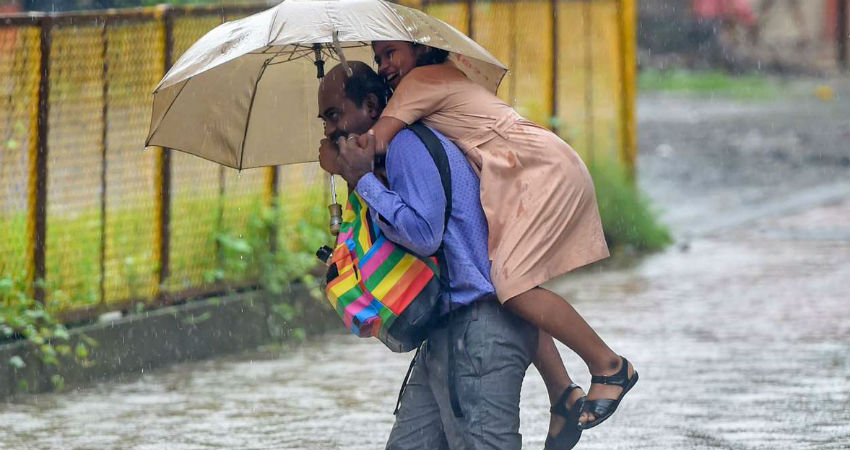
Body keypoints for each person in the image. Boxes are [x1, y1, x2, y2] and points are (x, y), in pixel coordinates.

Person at [355, 41, 639, 443]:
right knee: (506, 279)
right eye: (378, 57)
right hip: (516, 174)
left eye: (391, 53)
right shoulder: (432, 82)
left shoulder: (419, 80)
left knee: (513, 287)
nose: (384, 65)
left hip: (537, 169)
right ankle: (562, 393)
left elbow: (373, 143)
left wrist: (343, 154)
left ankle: (608, 365)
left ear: (420, 48)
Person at [317, 61, 539, 450]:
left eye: (335, 115)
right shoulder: (386, 160)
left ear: (371, 106)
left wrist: (361, 179)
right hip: (446, 334)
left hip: (477, 331)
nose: (329, 130)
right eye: (324, 121)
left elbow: (423, 234)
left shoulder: (407, 144)